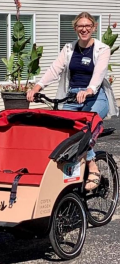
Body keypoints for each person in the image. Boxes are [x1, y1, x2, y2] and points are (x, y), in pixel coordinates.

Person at [26, 12, 119, 191]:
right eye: (80, 26)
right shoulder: (69, 48)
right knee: (60, 129)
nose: (84, 29)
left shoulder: (102, 49)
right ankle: (67, 173)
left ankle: (92, 166)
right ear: (75, 28)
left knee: (84, 129)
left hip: (96, 96)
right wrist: (37, 88)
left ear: (94, 27)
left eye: (88, 26)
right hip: (72, 96)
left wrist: (89, 89)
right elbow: (54, 69)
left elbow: (99, 73)